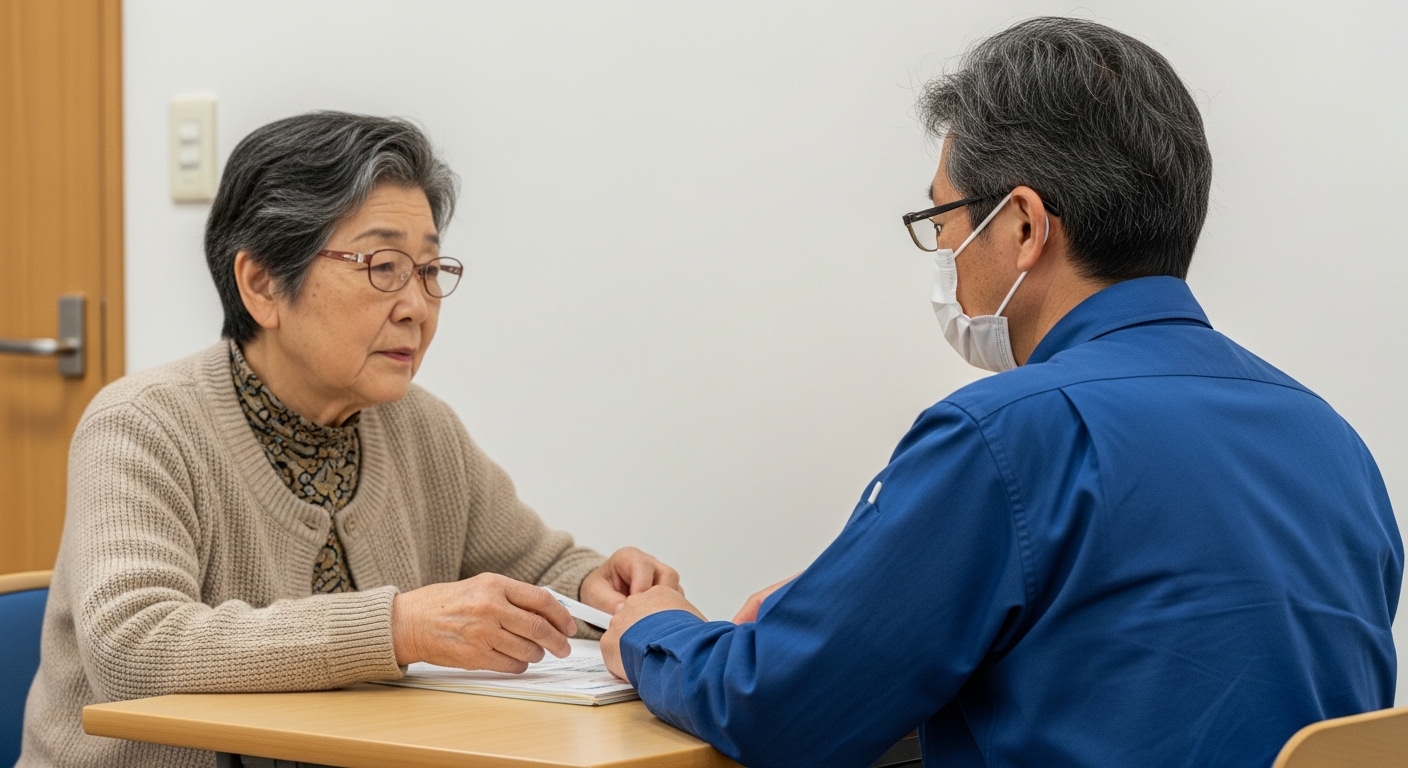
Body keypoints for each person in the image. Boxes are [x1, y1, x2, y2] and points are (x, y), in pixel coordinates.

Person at [601, 17, 1402, 768]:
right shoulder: (1327, 437)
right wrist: (857, 603)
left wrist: (655, 630)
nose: (944, 250)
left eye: (943, 221)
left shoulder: (1009, 435)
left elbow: (776, 709)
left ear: (1022, 224)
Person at [20, 112, 681, 767]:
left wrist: (598, 585)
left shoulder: (421, 428)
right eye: (384, 265)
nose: (416, 306)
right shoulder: (142, 425)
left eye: (429, 271)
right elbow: (133, 647)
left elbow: (532, 564)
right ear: (262, 284)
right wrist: (400, 628)